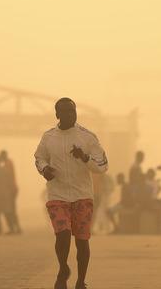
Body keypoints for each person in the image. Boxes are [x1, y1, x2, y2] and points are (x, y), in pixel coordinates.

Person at [35, 97, 109, 289]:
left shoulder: (87, 137)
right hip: (57, 195)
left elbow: (102, 166)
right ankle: (62, 269)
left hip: (82, 195)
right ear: (57, 114)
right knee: (63, 234)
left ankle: (80, 281)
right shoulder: (48, 137)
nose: (70, 114)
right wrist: (45, 170)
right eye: (65, 111)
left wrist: (84, 157)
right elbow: (39, 158)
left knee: (82, 241)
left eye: (72, 111)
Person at [0, 153, 20, 235]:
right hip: (5, 194)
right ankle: (12, 228)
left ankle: (0, 229)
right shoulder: (5, 170)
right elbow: (10, 181)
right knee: (7, 211)